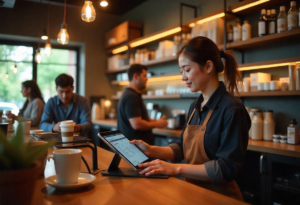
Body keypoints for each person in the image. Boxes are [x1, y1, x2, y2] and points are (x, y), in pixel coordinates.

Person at [130, 37, 251, 200]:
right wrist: (150, 150)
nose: (183, 77)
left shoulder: (231, 109)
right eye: (181, 71)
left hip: (219, 197)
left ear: (208, 67)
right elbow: (181, 148)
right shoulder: (195, 106)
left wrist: (175, 169)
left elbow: (226, 169)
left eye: (187, 70)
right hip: (192, 193)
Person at [117, 64, 168, 145]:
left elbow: (142, 118)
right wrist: (157, 124)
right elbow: (137, 124)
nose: (147, 79)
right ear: (136, 76)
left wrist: (157, 121)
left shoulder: (131, 94)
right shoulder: (131, 97)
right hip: (136, 149)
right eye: (144, 76)